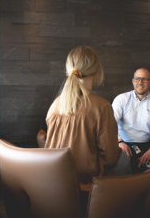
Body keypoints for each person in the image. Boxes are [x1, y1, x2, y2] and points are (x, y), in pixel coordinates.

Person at [40, 46, 121, 192]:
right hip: (88, 190)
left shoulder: (55, 104)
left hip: (51, 187)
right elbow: (110, 158)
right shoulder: (102, 107)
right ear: (97, 71)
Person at [112, 68, 150, 173]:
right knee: (126, 161)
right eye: (137, 79)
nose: (140, 82)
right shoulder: (121, 99)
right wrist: (119, 141)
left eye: (144, 79)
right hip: (124, 144)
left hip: (147, 145)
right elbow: (110, 125)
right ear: (133, 81)